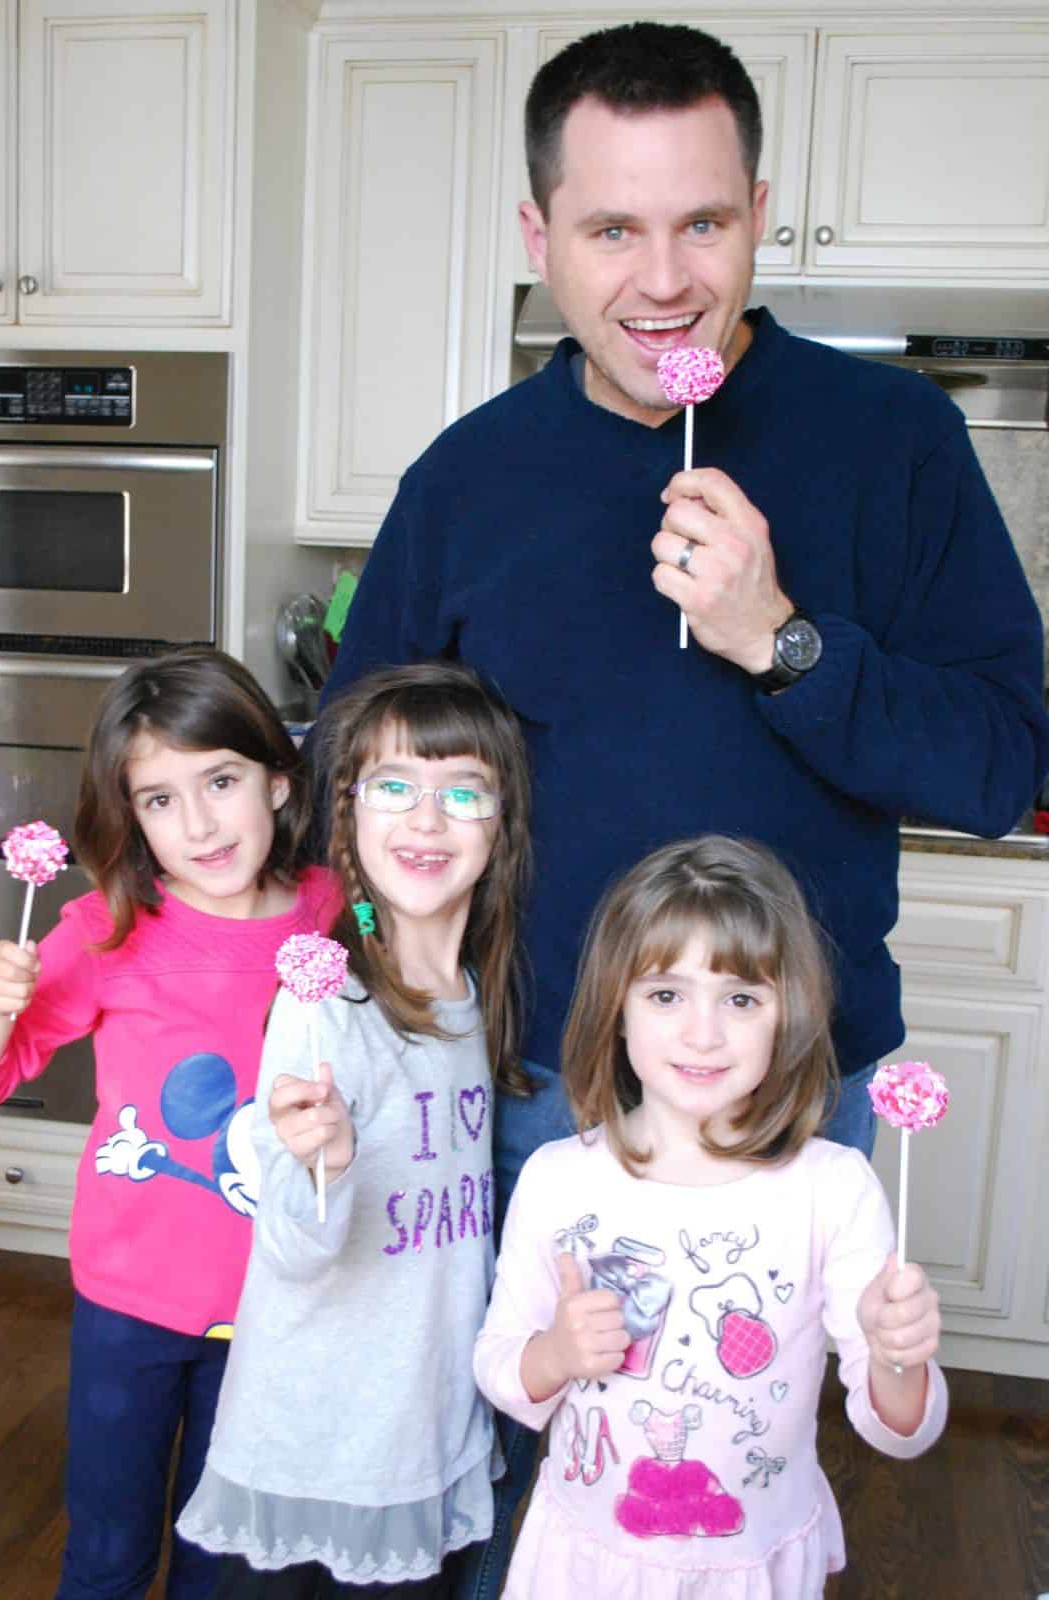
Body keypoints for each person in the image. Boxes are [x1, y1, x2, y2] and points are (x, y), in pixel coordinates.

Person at [319, 25, 1047, 1584]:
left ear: (759, 210)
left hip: (791, 1105)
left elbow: (1002, 764)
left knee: (729, 1470)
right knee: (525, 1471)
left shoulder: (895, 443)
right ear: (539, 237)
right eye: (611, 228)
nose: (663, 279)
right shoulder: (468, 475)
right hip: (525, 1089)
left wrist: (783, 643)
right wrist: (378, 965)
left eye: (702, 223)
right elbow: (354, 768)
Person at [0, 646, 340, 1600]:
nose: (198, 822)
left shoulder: (331, 912)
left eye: (221, 781)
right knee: (111, 1546)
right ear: (131, 817)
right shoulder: (104, 926)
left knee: (223, 1547)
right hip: (129, 1303)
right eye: (160, 800)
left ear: (279, 782)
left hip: (276, 1306)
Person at [474, 834, 947, 1598]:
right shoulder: (559, 1181)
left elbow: (897, 1429)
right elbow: (500, 1368)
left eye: (741, 998)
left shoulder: (835, 1187)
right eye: (666, 994)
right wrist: (556, 1354)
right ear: (616, 1011)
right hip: (584, 1562)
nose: (703, 1033)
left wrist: (899, 1357)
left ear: (784, 1015)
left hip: (749, 1569)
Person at [176, 661, 533, 1598]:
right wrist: (320, 1161)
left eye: (464, 791)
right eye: (394, 787)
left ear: (502, 828)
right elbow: (295, 1250)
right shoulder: (328, 1004)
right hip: (319, 1441)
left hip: (418, 1425)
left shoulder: (471, 1000)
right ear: (350, 815)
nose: (426, 818)